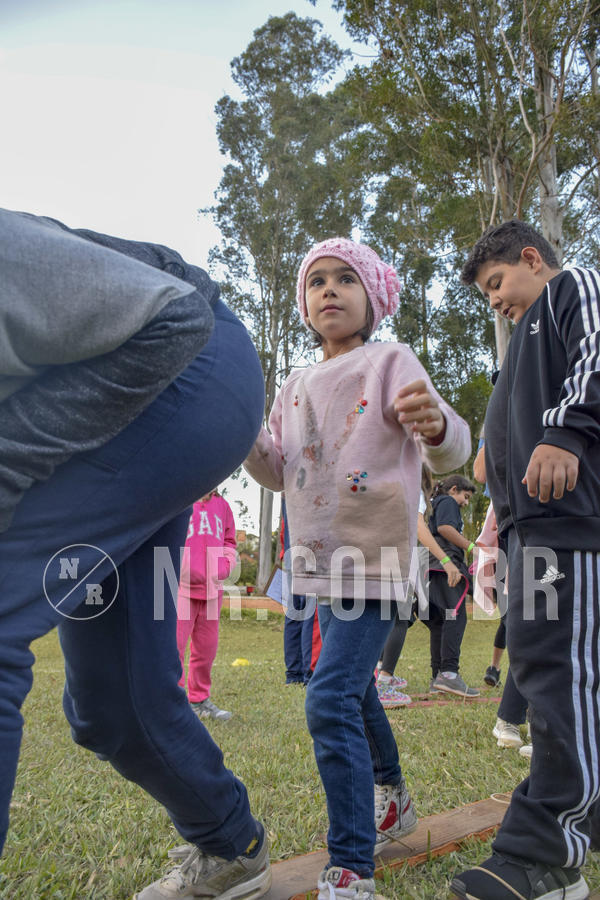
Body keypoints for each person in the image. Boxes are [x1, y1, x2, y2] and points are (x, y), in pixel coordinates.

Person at [0, 210, 271, 900]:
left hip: (190, 366)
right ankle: (230, 842)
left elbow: (175, 323)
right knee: (115, 702)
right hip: (164, 395)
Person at [243, 237, 471, 900]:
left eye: (345, 279)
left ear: (373, 298)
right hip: (318, 566)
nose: (329, 291)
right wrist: (245, 438)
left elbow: (451, 440)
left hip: (376, 563)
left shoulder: (389, 361)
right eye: (317, 283)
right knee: (349, 685)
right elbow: (277, 468)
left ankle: (351, 864)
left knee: (330, 696)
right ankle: (392, 794)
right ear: (305, 306)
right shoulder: (293, 383)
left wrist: (435, 425)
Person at [451, 219, 600, 899]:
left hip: (569, 528)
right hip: (527, 536)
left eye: (497, 283)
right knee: (546, 676)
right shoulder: (517, 350)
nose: (495, 302)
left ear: (533, 260)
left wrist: (568, 430)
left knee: (559, 677)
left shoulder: (575, 288)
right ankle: (580, 819)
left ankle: (548, 856)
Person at [377, 467, 462, 705]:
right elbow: (418, 525)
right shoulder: (412, 484)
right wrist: (445, 560)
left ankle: (379, 673)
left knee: (387, 617)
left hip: (378, 551)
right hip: (398, 554)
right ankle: (383, 683)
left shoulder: (389, 479)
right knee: (400, 619)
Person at [177, 490, 237, 721]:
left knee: (207, 648)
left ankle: (200, 700)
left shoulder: (222, 505)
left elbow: (229, 541)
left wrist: (225, 566)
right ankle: (175, 702)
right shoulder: (180, 498)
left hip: (213, 590)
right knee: (175, 646)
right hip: (181, 588)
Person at [424, 475, 479, 698]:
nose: (466, 503)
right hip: (446, 565)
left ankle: (438, 676)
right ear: (453, 489)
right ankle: (449, 673)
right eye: (465, 497)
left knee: (441, 620)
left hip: (433, 566)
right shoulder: (447, 502)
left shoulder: (434, 504)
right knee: (456, 615)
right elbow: (446, 528)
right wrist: (471, 546)